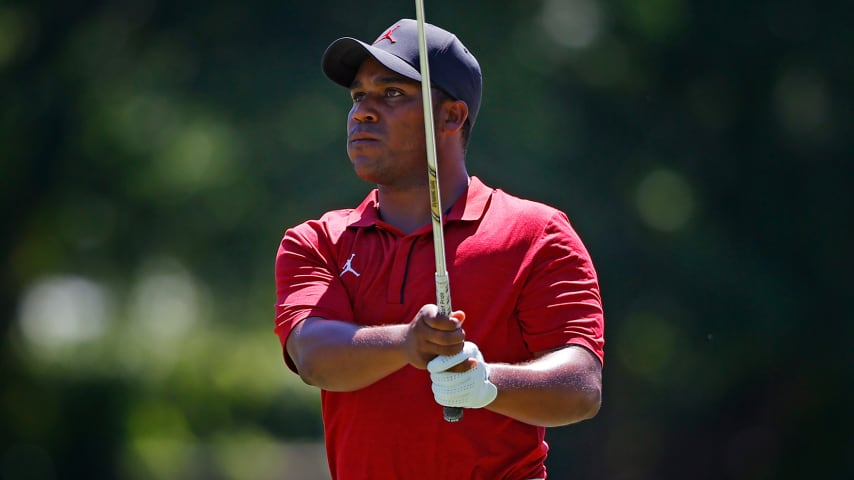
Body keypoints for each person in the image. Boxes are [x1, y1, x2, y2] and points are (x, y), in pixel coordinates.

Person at [274, 18, 605, 480]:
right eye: (357, 95)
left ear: (451, 116)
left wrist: (487, 383)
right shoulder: (317, 241)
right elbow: (312, 356)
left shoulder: (536, 233)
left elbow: (581, 386)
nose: (362, 111)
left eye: (391, 93)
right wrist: (407, 343)